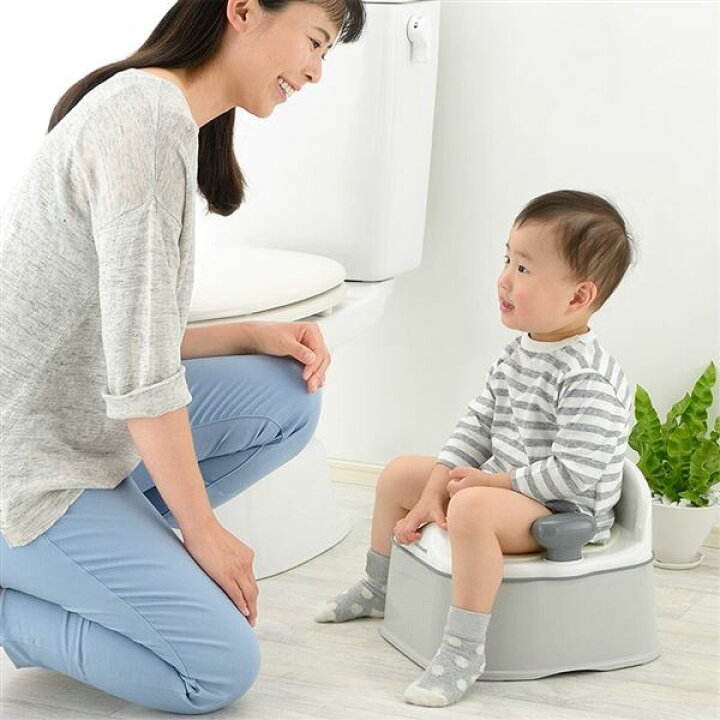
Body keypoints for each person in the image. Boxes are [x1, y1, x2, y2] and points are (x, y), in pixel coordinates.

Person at [0, 0, 365, 714]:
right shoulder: (144, 121)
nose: (317, 72)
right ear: (244, 11)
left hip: (79, 429)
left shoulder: (162, 113)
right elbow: (142, 375)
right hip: (28, 468)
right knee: (218, 668)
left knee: (286, 396)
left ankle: (109, 550)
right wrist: (204, 534)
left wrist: (250, 335)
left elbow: (120, 335)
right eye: (316, 41)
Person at [315, 189, 635, 708]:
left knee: (470, 507)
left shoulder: (587, 377)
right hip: (507, 488)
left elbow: (575, 473)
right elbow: (477, 426)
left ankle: (463, 650)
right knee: (398, 475)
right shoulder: (519, 353)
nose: (504, 278)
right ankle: (379, 585)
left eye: (524, 269)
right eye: (507, 259)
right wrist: (432, 490)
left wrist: (493, 483)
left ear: (578, 297)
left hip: (563, 511)